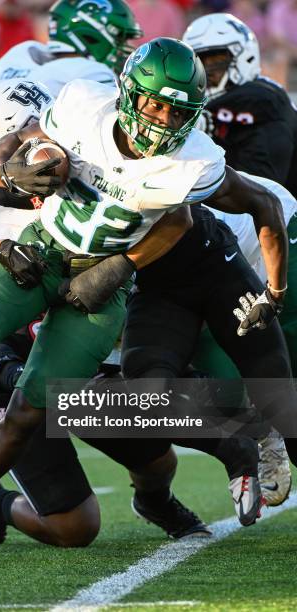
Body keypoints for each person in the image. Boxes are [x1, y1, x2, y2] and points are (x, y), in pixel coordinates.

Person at [0, 37, 290, 564]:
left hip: (85, 354)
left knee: (150, 430)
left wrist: (122, 268)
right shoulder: (4, 189)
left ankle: (161, 500)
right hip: (13, 360)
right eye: (13, 146)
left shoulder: (164, 162)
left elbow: (184, 217)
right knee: (70, 506)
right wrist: (4, 238)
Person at [183, 12, 297, 505]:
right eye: (198, 64)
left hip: (277, 244)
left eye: (214, 61)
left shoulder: (257, 99)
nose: (207, 74)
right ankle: (262, 435)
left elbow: (250, 179)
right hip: (226, 248)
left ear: (242, 56)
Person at [0, 0, 143, 252]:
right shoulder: (93, 75)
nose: (123, 48)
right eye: (118, 37)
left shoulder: (18, 59)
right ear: (91, 34)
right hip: (23, 212)